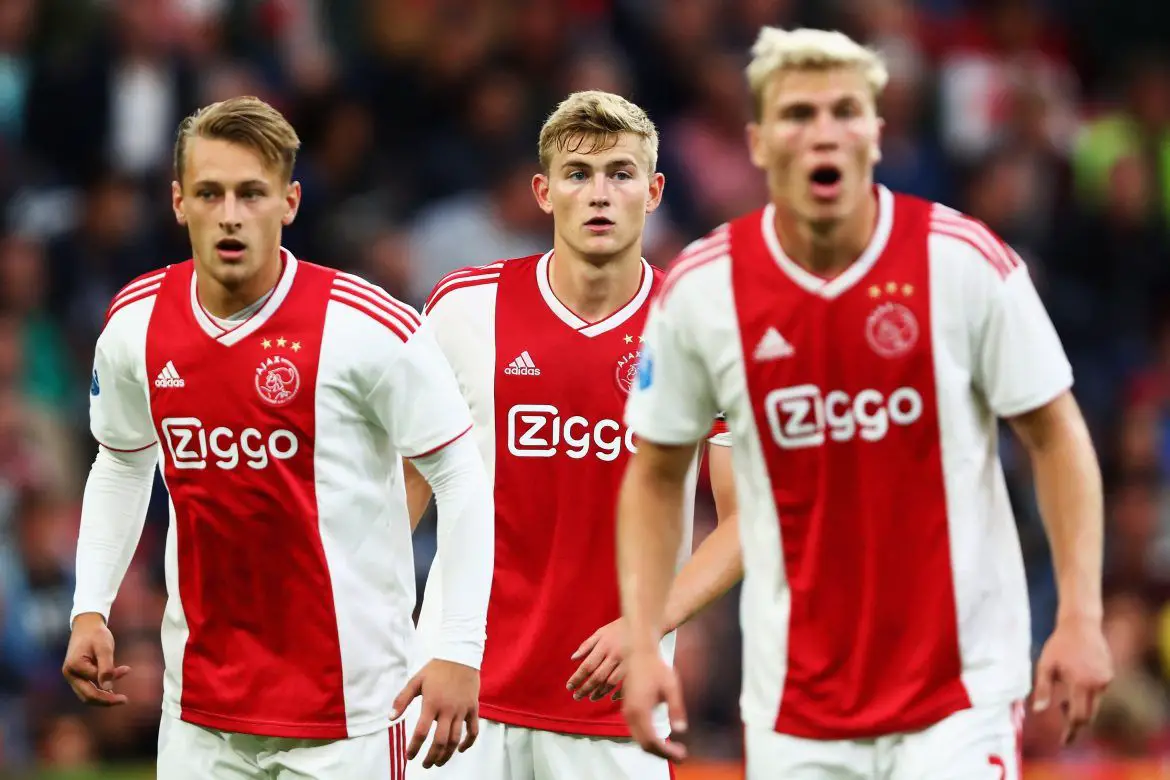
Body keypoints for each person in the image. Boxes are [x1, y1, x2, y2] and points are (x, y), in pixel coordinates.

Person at [617, 27, 1115, 779]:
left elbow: (1056, 434)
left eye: (844, 111)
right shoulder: (703, 289)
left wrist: (1080, 615)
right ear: (758, 142)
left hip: (960, 692)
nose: (824, 132)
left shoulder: (961, 261)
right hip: (793, 703)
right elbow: (656, 475)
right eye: (798, 114)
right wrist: (644, 638)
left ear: (877, 134)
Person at [61, 96, 494, 779]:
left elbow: (461, 475)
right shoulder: (135, 325)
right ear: (178, 202)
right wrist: (91, 607)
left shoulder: (368, 328)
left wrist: (459, 649)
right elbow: (121, 463)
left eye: (251, 193)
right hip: (199, 713)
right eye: (210, 193)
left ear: (289, 202)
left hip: (350, 715)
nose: (230, 214)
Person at [400, 90, 741, 780]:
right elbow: (404, 490)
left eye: (621, 173)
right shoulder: (464, 308)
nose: (599, 194)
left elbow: (750, 517)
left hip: (615, 701)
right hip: (459, 685)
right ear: (543, 191)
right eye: (578, 174)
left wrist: (647, 622)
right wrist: (371, 640)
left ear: (654, 191)